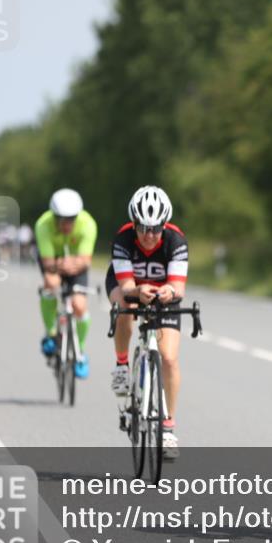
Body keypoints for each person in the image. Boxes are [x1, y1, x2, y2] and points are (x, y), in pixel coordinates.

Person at [106, 186, 188, 459]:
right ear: (134, 224)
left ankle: (167, 427)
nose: (150, 235)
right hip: (130, 287)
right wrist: (137, 292)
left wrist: (168, 292)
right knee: (125, 305)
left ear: (164, 225)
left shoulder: (175, 240)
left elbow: (178, 287)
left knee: (169, 359)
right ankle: (121, 364)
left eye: (155, 229)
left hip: (163, 293)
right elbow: (126, 284)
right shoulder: (123, 239)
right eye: (143, 228)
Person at [34, 189, 98, 379]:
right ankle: (51, 333)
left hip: (77, 267)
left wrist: (73, 264)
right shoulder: (43, 225)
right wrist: (61, 266)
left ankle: (80, 352)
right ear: (54, 216)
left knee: (79, 305)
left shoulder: (88, 224)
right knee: (50, 283)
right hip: (54, 263)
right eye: (61, 219)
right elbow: (48, 263)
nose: (66, 223)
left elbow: (85, 260)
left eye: (71, 219)